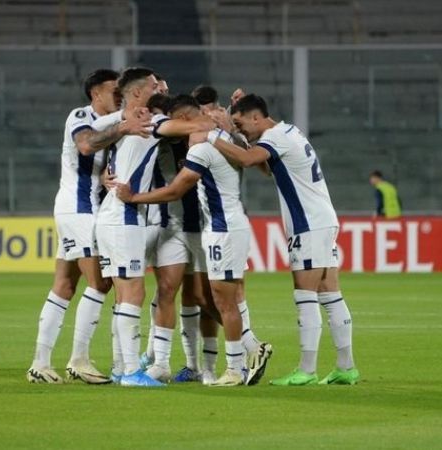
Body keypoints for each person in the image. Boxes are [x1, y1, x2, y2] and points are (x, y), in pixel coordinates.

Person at [114, 98, 273, 386]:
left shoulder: (204, 147)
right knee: (184, 293)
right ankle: (167, 362)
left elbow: (177, 189)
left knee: (218, 298)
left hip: (216, 228)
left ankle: (238, 363)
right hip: (203, 226)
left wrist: (133, 197)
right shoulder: (221, 140)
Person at [207, 93, 359, 386]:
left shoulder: (276, 136)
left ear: (256, 117)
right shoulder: (289, 131)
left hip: (308, 225)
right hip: (322, 220)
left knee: (305, 295)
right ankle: (345, 366)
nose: (240, 130)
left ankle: (307, 369)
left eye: (241, 124)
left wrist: (214, 136)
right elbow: (265, 167)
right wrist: (237, 133)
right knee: (330, 294)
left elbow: (250, 160)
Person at [92, 67, 215, 387]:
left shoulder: (117, 125)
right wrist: (211, 118)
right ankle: (132, 371)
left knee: (123, 294)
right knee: (133, 291)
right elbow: (196, 125)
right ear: (136, 94)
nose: (158, 90)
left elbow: (94, 133)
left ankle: (122, 367)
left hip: (110, 216)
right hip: (126, 216)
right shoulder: (150, 123)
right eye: (152, 87)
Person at [26, 69, 150, 384]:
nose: (119, 97)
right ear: (96, 93)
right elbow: (85, 145)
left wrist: (106, 177)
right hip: (78, 209)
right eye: (113, 91)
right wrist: (124, 126)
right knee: (100, 283)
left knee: (65, 285)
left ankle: (40, 362)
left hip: (84, 209)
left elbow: (102, 153)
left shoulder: (112, 122)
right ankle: (79, 359)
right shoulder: (81, 116)